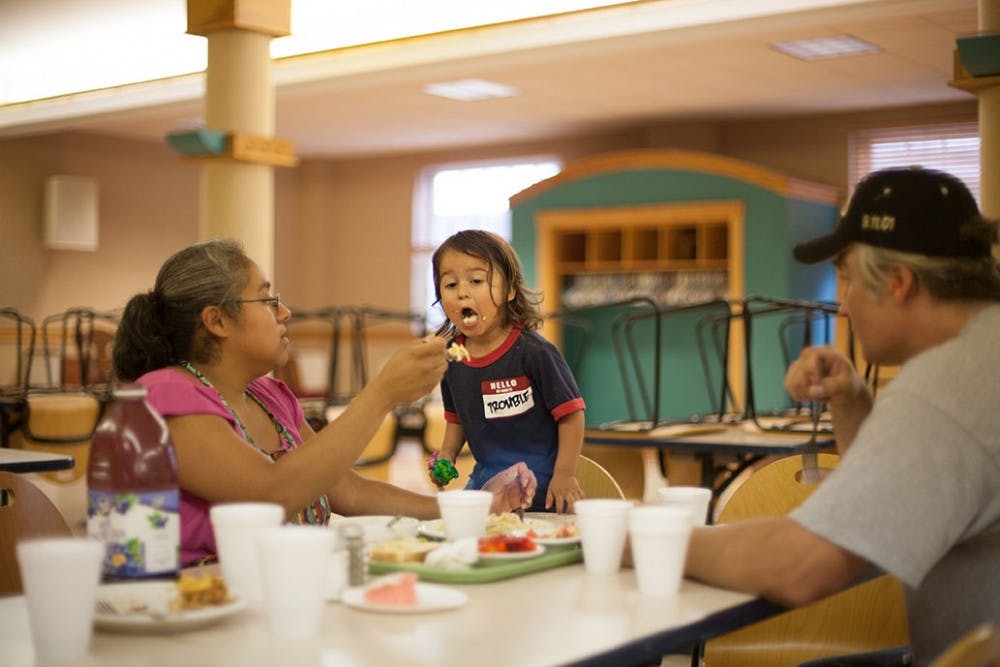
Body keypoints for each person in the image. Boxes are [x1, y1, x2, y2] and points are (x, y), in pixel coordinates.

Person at [684, 167, 1000, 666]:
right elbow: (888, 502)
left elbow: (803, 566)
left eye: (847, 279)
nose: (844, 306)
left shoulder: (947, 384)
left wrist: (640, 540)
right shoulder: (983, 352)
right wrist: (851, 398)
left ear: (898, 283)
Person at [112, 238, 537, 566]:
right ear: (216, 320)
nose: (285, 313)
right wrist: (382, 393)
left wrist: (471, 508)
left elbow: (345, 489)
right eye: (267, 300)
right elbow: (272, 494)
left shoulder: (269, 396)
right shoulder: (164, 394)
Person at [430, 230, 586, 513]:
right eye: (450, 284)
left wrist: (565, 474)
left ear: (510, 290)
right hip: (485, 485)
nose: (462, 292)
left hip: (542, 488)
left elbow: (572, 415)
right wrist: (447, 456)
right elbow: (456, 419)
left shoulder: (535, 352)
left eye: (476, 281)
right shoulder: (451, 358)